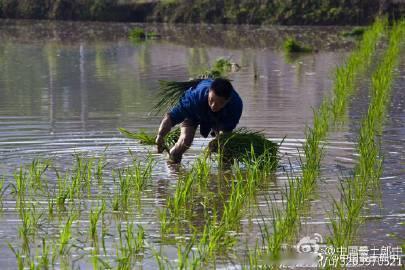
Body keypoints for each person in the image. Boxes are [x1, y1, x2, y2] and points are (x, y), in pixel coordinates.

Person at [156, 78, 243, 163]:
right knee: (185, 141)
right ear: (209, 92)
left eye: (219, 103)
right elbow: (170, 118)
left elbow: (226, 133)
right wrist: (160, 136)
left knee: (225, 148)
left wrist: (217, 142)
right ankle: (172, 161)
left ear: (227, 100)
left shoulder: (235, 106)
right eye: (211, 100)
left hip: (221, 117)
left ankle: (224, 174)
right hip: (194, 112)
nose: (213, 106)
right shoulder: (194, 98)